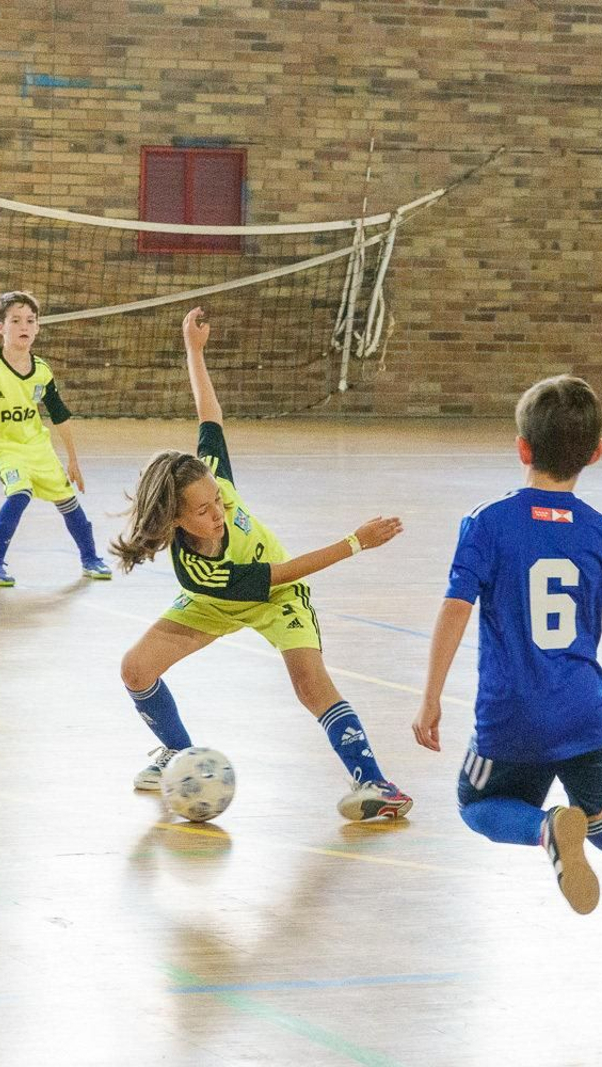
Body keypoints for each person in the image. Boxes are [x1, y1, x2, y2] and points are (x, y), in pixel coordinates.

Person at [411, 373, 602, 976]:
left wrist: (430, 698)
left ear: (521, 448)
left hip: (512, 715)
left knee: (477, 803)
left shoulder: (487, 523)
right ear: (598, 452)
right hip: (584, 713)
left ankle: (545, 831)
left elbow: (455, 611)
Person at [111, 307, 412, 822]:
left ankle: (377, 785)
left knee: (309, 686)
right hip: (228, 596)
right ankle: (182, 760)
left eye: (217, 499)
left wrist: (195, 351)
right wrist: (355, 543)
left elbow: (209, 415)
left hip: (279, 601)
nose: (219, 511)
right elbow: (281, 570)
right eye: (203, 511)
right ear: (176, 521)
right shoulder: (197, 571)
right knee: (136, 668)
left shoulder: (215, 483)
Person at [0, 290, 110, 586]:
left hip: (37, 447)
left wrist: (73, 460)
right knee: (20, 491)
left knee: (67, 499)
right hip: (2, 447)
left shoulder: (42, 371)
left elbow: (60, 415)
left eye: (30, 320)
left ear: (38, 327)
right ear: (0, 328)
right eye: (15, 320)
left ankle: (91, 558)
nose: (24, 326)